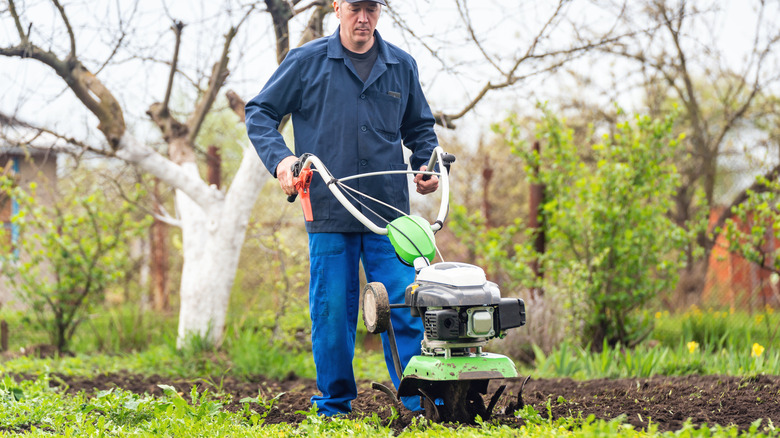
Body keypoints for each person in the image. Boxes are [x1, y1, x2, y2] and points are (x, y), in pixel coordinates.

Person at [245, 0, 440, 416]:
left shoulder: (401, 66)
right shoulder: (306, 62)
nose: (363, 18)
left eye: (372, 8)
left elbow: (419, 126)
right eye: (355, 8)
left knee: (405, 308)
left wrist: (426, 162)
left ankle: (419, 401)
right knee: (333, 312)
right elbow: (259, 112)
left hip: (390, 215)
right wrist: (281, 159)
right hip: (330, 209)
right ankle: (334, 404)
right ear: (337, 7)